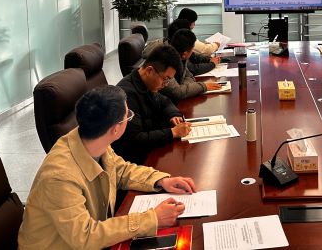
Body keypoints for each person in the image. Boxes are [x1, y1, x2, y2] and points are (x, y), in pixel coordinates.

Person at [18, 85, 197, 250]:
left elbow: (120, 170)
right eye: (128, 116)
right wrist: (152, 218)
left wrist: (161, 180)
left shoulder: (93, 139)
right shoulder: (60, 177)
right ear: (116, 129)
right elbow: (85, 237)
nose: (129, 119)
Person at [113, 45, 192, 164]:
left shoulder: (146, 83)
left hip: (152, 149)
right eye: (165, 79)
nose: (166, 84)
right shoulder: (126, 95)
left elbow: (165, 101)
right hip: (135, 161)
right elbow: (135, 139)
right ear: (149, 70)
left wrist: (174, 114)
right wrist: (173, 132)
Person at [149, 28, 223, 103]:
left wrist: (185, 88)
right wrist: (203, 86)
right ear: (185, 54)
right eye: (192, 50)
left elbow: (189, 76)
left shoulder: (181, 57)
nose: (192, 53)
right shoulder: (165, 62)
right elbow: (177, 92)